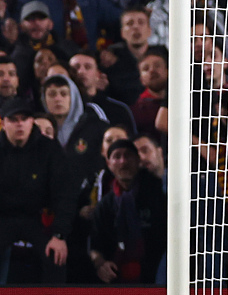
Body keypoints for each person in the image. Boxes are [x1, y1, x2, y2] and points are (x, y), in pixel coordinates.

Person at [0, 98, 75, 284]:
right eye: (13, 119)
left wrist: (59, 235)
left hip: (38, 219)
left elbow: (64, 194)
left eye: (24, 118)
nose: (19, 124)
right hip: (3, 218)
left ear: (31, 121)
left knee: (55, 256)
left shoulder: (49, 149)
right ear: (3, 123)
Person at [89, 139, 166, 283]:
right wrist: (100, 264)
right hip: (117, 277)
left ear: (138, 160)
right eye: (117, 157)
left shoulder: (158, 193)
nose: (123, 162)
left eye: (128, 155)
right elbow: (95, 246)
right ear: (108, 163)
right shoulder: (105, 205)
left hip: (157, 275)